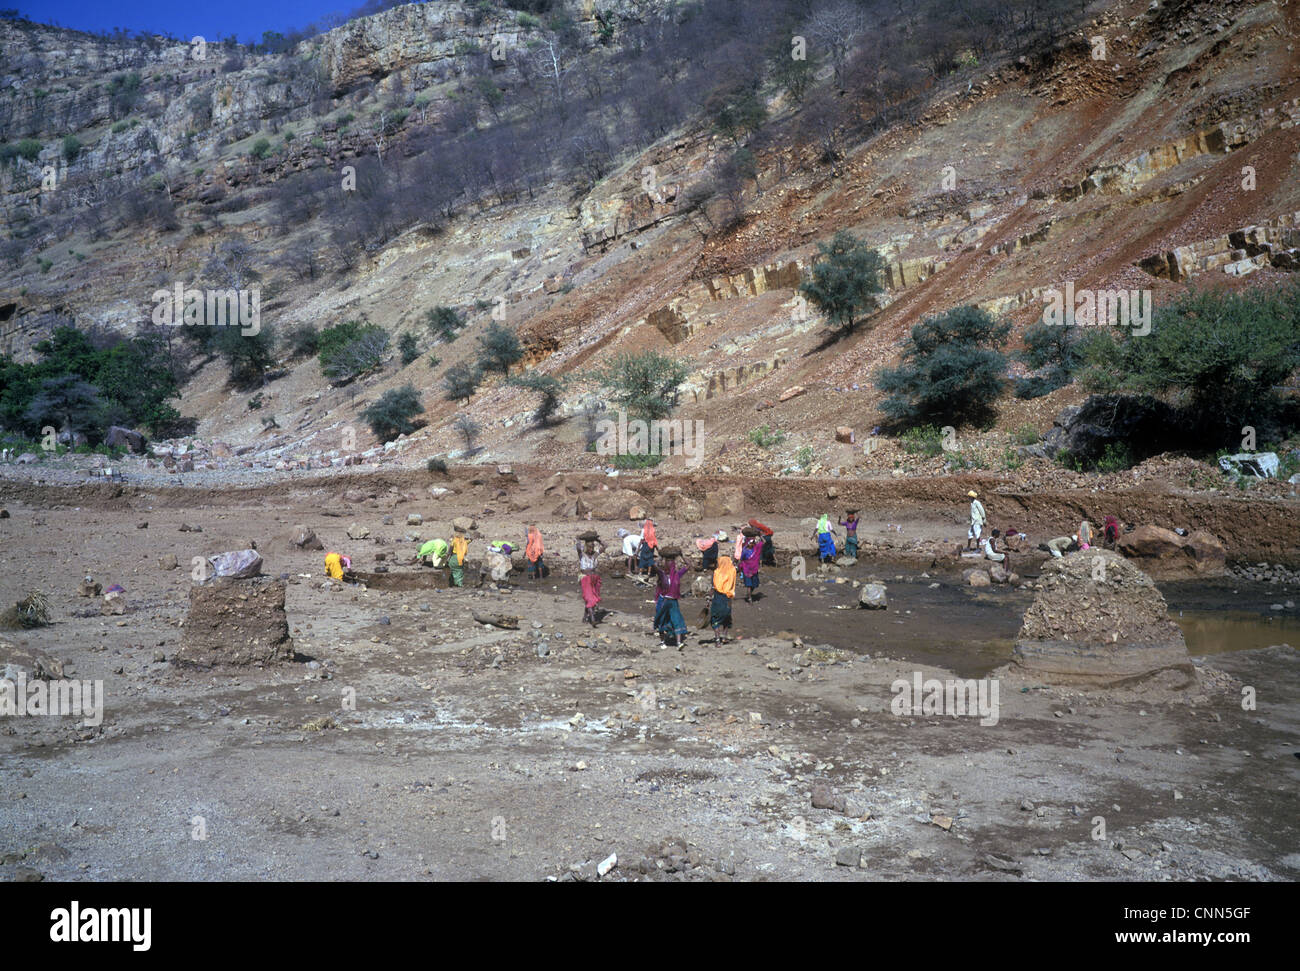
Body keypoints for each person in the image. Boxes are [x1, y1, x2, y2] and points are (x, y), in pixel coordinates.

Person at [653, 547, 690, 649]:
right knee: (662, 620)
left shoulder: (677, 575)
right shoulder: (662, 575)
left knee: (677, 619)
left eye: (672, 563)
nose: (671, 565)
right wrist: (661, 557)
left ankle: (679, 643)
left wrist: (681, 555)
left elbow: (688, 565)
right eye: (668, 562)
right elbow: (654, 566)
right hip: (663, 601)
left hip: (673, 602)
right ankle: (662, 641)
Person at [576, 532, 605, 627]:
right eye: (589, 547)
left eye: (592, 547)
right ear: (586, 547)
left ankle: (585, 617)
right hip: (585, 578)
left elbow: (605, 546)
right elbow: (578, 548)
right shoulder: (582, 555)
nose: (590, 549)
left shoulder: (594, 555)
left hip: (594, 579)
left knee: (591, 598)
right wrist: (578, 540)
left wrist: (598, 540)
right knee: (589, 597)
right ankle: (592, 619)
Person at [710, 554, 736, 644]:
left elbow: (713, 587)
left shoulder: (716, 573)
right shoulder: (732, 572)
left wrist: (708, 598)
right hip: (728, 598)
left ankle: (717, 640)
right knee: (727, 618)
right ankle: (724, 637)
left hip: (718, 598)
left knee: (715, 618)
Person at [739, 528, 762, 602]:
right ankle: (749, 598)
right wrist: (760, 536)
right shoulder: (750, 550)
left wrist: (759, 535)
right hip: (749, 570)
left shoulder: (754, 549)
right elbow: (763, 542)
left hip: (751, 570)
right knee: (749, 585)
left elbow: (763, 542)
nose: (752, 544)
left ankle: (749, 595)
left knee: (753, 585)